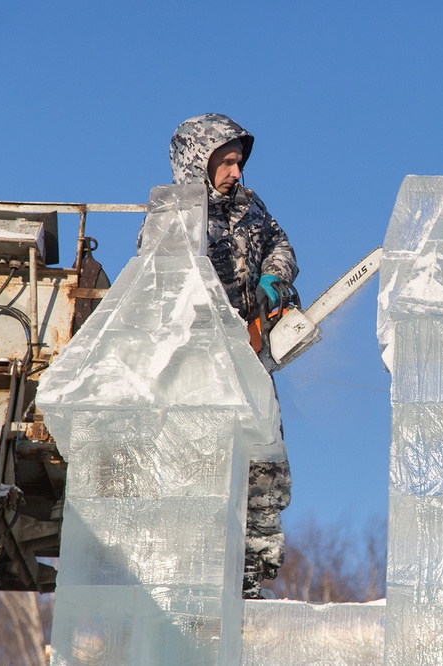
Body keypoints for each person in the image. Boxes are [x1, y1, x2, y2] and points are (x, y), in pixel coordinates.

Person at [169, 113, 298, 598]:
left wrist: (274, 279)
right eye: (224, 162)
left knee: (264, 463)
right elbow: (162, 282)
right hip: (198, 368)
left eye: (238, 161)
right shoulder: (174, 214)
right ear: (197, 162)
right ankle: (195, 574)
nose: (235, 172)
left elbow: (280, 246)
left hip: (251, 360)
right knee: (204, 467)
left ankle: (252, 576)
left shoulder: (250, 207)